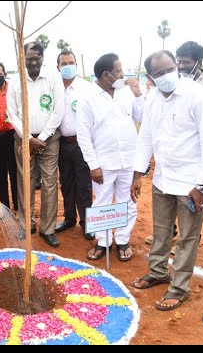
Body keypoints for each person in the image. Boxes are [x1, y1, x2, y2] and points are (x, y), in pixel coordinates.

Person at [130, 50, 203, 311]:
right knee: (161, 231)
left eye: (170, 69)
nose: (168, 75)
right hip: (163, 179)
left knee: (188, 237)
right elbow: (145, 136)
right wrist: (139, 174)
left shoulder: (199, 95)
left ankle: (179, 287)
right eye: (160, 73)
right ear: (150, 77)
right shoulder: (153, 99)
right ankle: (158, 272)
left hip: (191, 184)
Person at [77, 53, 144, 261]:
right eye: (119, 71)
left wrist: (138, 94)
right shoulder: (88, 98)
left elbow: (141, 118)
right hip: (103, 163)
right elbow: (83, 134)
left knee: (128, 202)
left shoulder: (126, 92)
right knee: (102, 204)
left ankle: (123, 240)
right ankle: (103, 242)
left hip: (128, 160)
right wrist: (93, 165)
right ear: (107, 75)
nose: (123, 74)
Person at [7, 41, 65, 247]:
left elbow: (59, 109)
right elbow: (12, 114)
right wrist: (28, 138)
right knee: (25, 181)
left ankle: (47, 229)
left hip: (49, 139)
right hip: (24, 140)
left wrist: (44, 136)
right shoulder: (15, 81)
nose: (33, 62)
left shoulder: (53, 78)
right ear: (23, 58)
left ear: (42, 58)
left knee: (49, 183)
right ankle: (26, 224)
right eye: (29, 58)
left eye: (36, 58)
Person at [54, 50, 93, 239]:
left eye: (71, 62)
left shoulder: (86, 88)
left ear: (76, 65)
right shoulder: (55, 88)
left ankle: (87, 222)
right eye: (64, 63)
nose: (68, 66)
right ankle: (69, 218)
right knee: (66, 182)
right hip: (61, 142)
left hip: (82, 143)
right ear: (58, 67)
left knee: (84, 184)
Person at [0, 61, 18, 216]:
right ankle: (4, 209)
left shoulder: (13, 89)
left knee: (14, 173)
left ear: (5, 74)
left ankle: (19, 207)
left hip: (12, 136)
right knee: (0, 174)